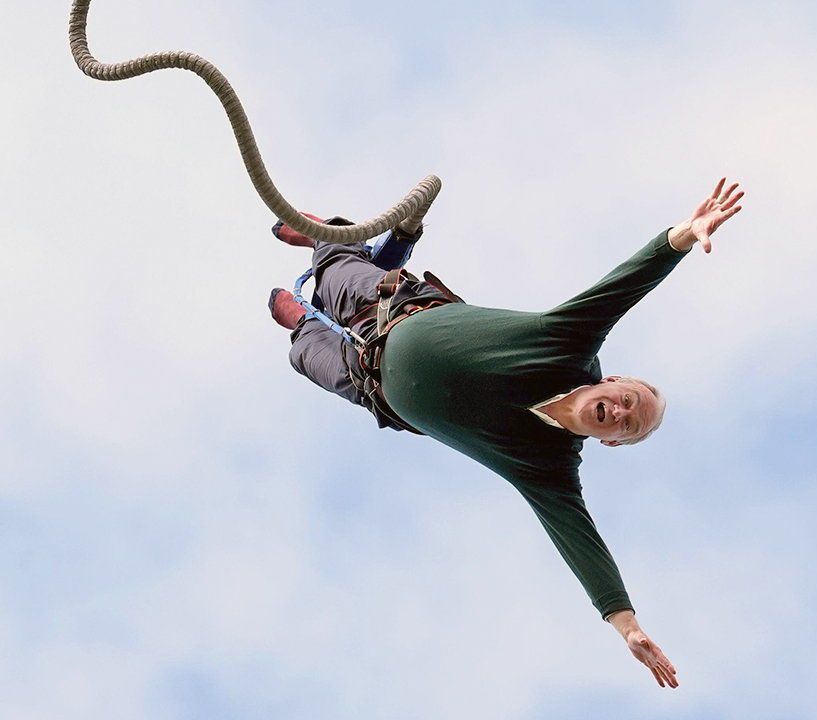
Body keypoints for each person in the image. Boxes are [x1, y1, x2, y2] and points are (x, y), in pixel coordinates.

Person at [268, 179, 745, 689]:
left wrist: (627, 627)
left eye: (628, 426)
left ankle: (306, 322)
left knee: (302, 349)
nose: (622, 413)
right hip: (386, 305)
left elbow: (582, 543)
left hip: (370, 383)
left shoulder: (548, 466)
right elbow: (626, 284)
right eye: (629, 401)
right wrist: (686, 235)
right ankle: (338, 239)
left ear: (612, 442)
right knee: (336, 256)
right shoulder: (567, 344)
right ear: (611, 382)